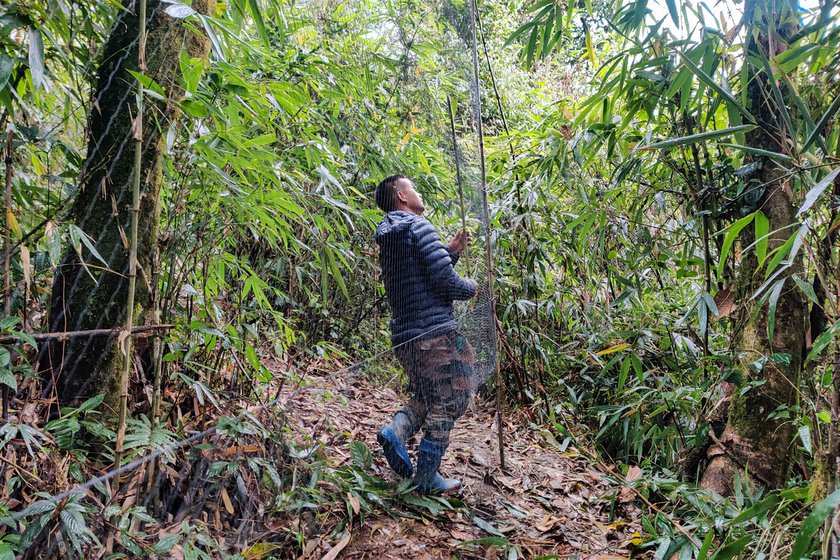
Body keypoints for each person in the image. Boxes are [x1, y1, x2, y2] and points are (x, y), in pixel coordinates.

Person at [373, 174, 478, 495]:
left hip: (406, 337)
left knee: (427, 395)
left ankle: (396, 431)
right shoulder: (419, 226)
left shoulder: (393, 236)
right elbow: (445, 282)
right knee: (455, 395)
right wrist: (472, 287)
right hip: (433, 334)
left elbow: (421, 276)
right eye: (413, 187)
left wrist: (451, 252)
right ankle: (427, 477)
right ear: (401, 196)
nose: (418, 192)